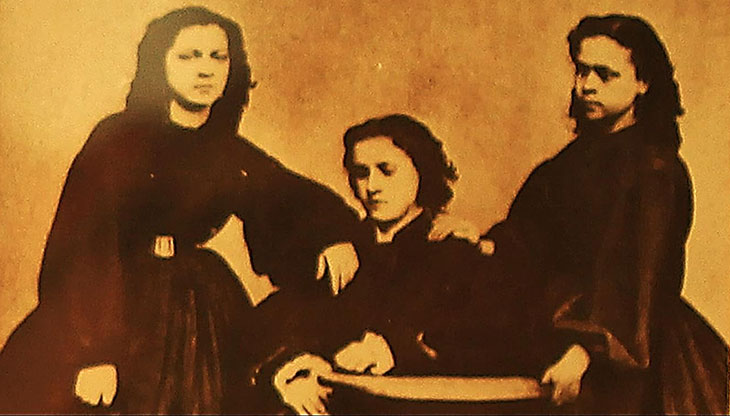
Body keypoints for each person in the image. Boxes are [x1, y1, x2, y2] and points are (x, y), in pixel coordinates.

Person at [0, 6, 362, 414]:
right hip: (119, 307)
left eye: (217, 57)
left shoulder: (226, 150)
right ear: (161, 63)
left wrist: (330, 237)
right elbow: (85, 245)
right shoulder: (118, 140)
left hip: (200, 307)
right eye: (189, 56)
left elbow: (283, 194)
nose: (205, 70)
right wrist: (94, 352)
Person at [483, 14, 728, 414]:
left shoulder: (654, 171)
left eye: (605, 74)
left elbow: (636, 277)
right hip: (556, 334)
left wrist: (586, 349)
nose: (587, 85)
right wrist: (485, 244)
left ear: (643, 83)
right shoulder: (563, 167)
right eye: (581, 71)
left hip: (626, 347)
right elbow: (526, 239)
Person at [266, 114, 549, 414]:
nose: (372, 186)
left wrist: (396, 350)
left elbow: (498, 343)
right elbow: (284, 325)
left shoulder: (455, 253)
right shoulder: (341, 252)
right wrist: (290, 370)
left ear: (421, 171)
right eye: (361, 173)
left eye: (387, 171)